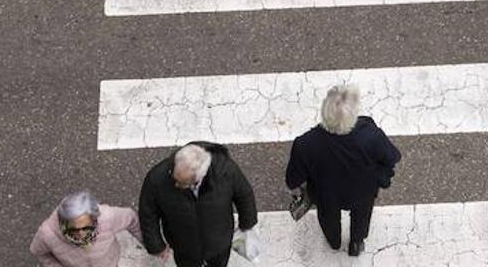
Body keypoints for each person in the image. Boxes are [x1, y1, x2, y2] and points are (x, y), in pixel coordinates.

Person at [285, 84, 402, 258]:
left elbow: (293, 179)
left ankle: (334, 242)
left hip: (326, 194)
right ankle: (356, 243)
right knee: (362, 216)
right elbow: (392, 157)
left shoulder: (305, 144)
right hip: (362, 191)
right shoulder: (371, 135)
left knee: (328, 218)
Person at [138, 142, 259, 267]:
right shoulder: (157, 178)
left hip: (219, 243)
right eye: (175, 178)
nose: (176, 185)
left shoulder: (226, 171)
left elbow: (244, 195)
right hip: (183, 245)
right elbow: (147, 213)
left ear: (200, 176)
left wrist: (247, 223)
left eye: (182, 182)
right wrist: (156, 245)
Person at [30, 191, 141, 267]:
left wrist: (151, 245)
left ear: (94, 218)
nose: (81, 235)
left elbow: (131, 219)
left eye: (86, 228)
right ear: (63, 222)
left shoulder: (107, 217)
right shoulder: (47, 234)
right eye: (72, 230)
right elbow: (39, 252)